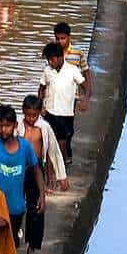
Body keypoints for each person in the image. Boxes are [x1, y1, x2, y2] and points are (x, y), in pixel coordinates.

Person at [0, 104, 45, 250]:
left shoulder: (25, 147)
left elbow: (36, 170)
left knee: (11, 240)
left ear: (15, 125)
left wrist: (41, 195)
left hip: (16, 206)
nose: (3, 130)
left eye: (7, 125)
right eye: (0, 126)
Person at [16, 95, 69, 254]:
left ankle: (32, 247)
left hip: (36, 169)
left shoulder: (44, 128)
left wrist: (61, 175)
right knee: (15, 204)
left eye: (34, 115)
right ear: (23, 112)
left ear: (39, 113)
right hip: (18, 167)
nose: (31, 119)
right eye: (28, 115)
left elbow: (53, 150)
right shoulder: (17, 125)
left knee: (37, 207)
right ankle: (16, 233)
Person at [38, 43, 89, 164]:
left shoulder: (72, 70)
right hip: (50, 111)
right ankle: (55, 162)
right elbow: (42, 88)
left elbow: (84, 85)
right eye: (48, 60)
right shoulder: (47, 71)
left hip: (66, 113)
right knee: (53, 138)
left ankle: (65, 156)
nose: (50, 62)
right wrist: (40, 106)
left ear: (61, 57)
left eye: (52, 59)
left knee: (65, 138)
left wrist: (84, 99)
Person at [53, 22, 93, 164]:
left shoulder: (77, 53)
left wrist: (86, 97)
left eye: (63, 38)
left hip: (71, 98)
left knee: (68, 129)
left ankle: (66, 153)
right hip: (55, 98)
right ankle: (61, 157)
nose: (60, 41)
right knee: (57, 128)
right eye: (57, 38)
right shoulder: (53, 54)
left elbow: (86, 73)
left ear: (69, 38)